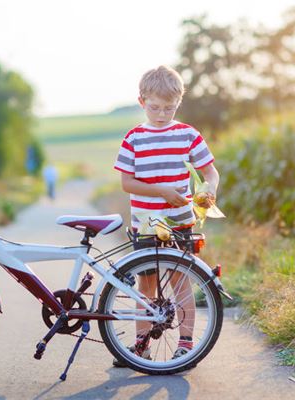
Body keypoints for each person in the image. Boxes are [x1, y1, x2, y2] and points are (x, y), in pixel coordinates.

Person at [112, 65, 220, 366]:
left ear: (179, 103)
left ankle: (186, 345)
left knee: (180, 280)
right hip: (145, 222)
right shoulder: (134, 138)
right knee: (146, 284)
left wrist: (208, 189)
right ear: (142, 101)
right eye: (155, 107)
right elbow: (127, 183)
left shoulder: (187, 135)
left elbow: (210, 171)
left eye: (169, 108)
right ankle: (140, 346)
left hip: (179, 220)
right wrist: (162, 191)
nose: (161, 114)